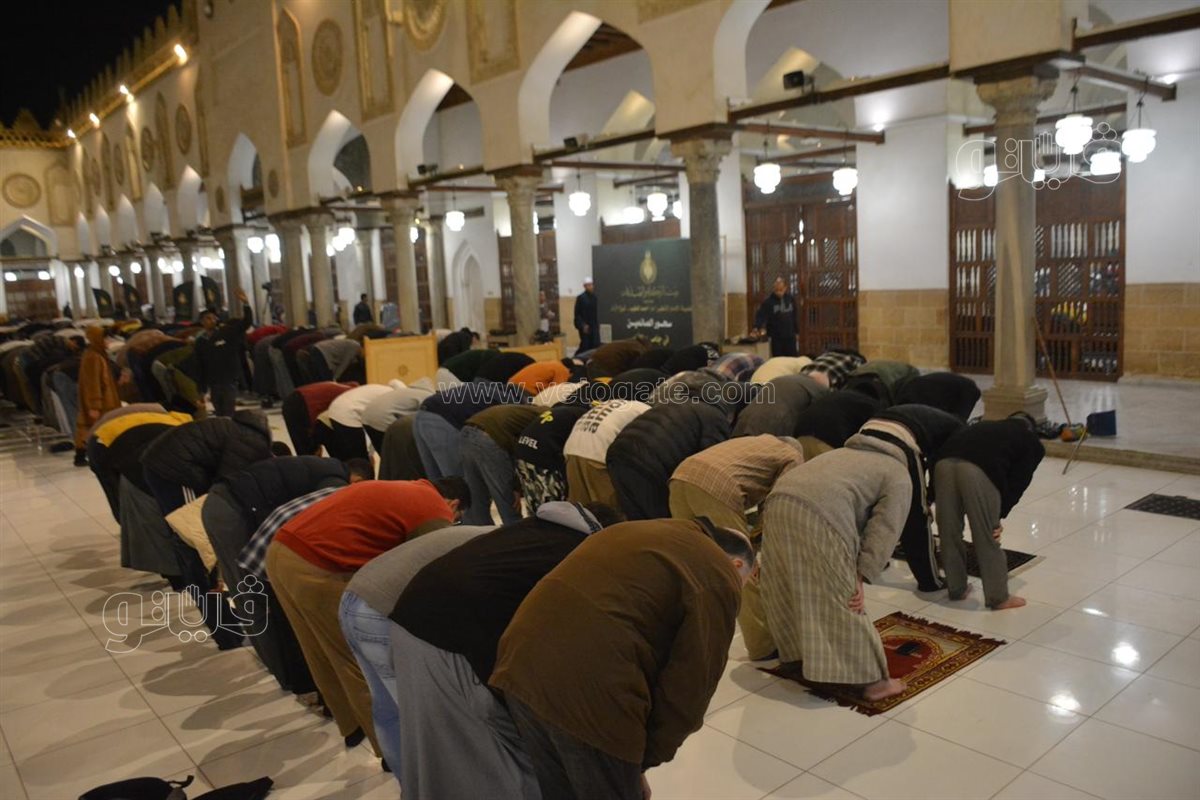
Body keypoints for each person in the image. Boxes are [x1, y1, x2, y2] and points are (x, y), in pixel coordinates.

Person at [491, 518, 754, 800]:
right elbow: (690, 688)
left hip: (520, 666)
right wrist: (638, 761)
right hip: (588, 692)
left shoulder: (643, 531)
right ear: (737, 565)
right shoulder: (717, 572)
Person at [388, 502, 617, 799]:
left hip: (409, 622)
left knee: (438, 754)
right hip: (447, 640)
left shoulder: (535, 531)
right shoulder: (579, 553)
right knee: (490, 760)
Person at [264, 477, 469, 757]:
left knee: (319, 650)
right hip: (317, 564)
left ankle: (351, 726)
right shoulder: (434, 507)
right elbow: (437, 568)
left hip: (282, 551)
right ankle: (390, 750)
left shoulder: (405, 489)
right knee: (359, 659)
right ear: (453, 504)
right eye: (456, 519)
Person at [759, 429, 912, 701]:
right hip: (820, 511)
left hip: (777, 501)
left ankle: (796, 658)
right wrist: (860, 576)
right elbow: (884, 530)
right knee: (845, 597)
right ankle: (874, 682)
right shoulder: (898, 473)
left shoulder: (842, 453)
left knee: (787, 582)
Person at [204, 455, 369, 693]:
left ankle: (288, 674)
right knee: (255, 598)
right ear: (357, 480)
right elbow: (331, 521)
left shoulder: (323, 469)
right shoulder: (334, 482)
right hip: (232, 513)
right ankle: (289, 678)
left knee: (251, 596)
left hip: (222, 503)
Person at [933, 413, 1044, 609]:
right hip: (978, 470)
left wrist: (929, 494)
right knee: (986, 534)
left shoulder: (983, 426)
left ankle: (956, 588)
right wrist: (998, 516)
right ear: (1032, 428)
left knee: (948, 531)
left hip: (943, 464)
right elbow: (1019, 482)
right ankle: (998, 597)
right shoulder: (1030, 440)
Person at [606, 400, 731, 520]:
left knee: (637, 516)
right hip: (649, 462)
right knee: (663, 520)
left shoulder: (677, 403)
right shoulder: (715, 417)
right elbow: (710, 463)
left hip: (617, 453)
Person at [459, 403, 542, 524]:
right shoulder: (547, 419)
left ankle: (482, 534)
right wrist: (515, 487)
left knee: (476, 502)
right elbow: (525, 452)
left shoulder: (527, 412)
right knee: (508, 503)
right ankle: (516, 533)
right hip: (489, 437)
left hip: (466, 433)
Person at [563, 398, 651, 509]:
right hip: (596, 452)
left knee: (580, 508)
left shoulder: (629, 406)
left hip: (572, 448)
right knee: (609, 510)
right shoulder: (647, 412)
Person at [514, 403, 591, 509]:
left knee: (534, 499)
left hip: (522, 448)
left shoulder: (565, 411)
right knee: (554, 504)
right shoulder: (583, 418)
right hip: (543, 454)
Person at [194, 290, 253, 416]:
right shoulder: (200, 342)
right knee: (219, 412)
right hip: (213, 382)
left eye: (213, 318)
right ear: (202, 322)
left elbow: (246, 322)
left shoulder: (226, 332)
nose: (212, 320)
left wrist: (246, 304)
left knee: (228, 410)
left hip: (228, 379)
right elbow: (199, 366)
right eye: (208, 318)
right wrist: (201, 390)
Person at [74, 326, 121, 467]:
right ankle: (83, 455)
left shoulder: (97, 354)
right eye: (105, 338)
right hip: (102, 402)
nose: (108, 341)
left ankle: (85, 455)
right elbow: (92, 383)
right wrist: (94, 405)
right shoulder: (93, 357)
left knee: (92, 428)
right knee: (92, 428)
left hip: (104, 401)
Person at [753, 277, 798, 357]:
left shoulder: (790, 299)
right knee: (778, 360)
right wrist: (757, 326)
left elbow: (794, 316)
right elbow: (761, 315)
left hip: (790, 336)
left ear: (785, 288)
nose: (779, 292)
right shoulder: (768, 302)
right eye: (776, 290)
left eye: (781, 290)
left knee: (792, 359)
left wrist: (797, 331)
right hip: (776, 337)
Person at [574, 277, 599, 352]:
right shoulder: (581, 298)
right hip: (585, 326)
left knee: (595, 345)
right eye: (589, 285)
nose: (591, 287)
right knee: (585, 346)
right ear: (585, 286)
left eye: (591, 285)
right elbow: (577, 314)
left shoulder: (594, 297)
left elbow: (595, 313)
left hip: (593, 326)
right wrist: (583, 325)